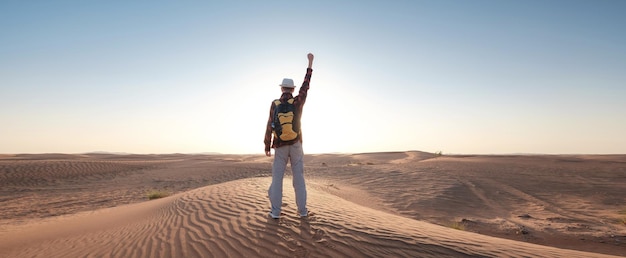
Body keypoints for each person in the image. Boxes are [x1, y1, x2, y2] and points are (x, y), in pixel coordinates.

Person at [264, 53, 314, 219]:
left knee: (277, 179)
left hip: (280, 146)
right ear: (292, 89)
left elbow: (270, 124)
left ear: (281, 89)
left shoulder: (275, 104)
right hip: (295, 145)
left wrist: (267, 145)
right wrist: (310, 63)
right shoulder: (298, 101)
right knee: (298, 178)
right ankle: (302, 211)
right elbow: (306, 85)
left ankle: (276, 212)